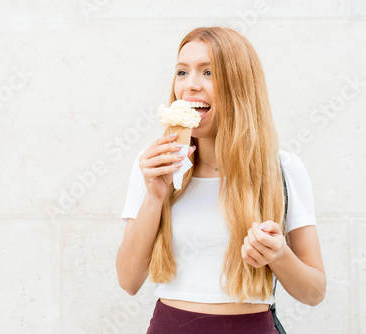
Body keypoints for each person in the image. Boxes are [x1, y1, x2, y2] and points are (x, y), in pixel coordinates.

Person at [115, 27, 326, 334]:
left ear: (239, 83)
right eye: (182, 72)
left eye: (208, 72)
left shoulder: (283, 169)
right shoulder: (152, 166)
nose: (190, 86)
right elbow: (128, 281)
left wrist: (279, 255)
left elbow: (315, 292)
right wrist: (154, 196)